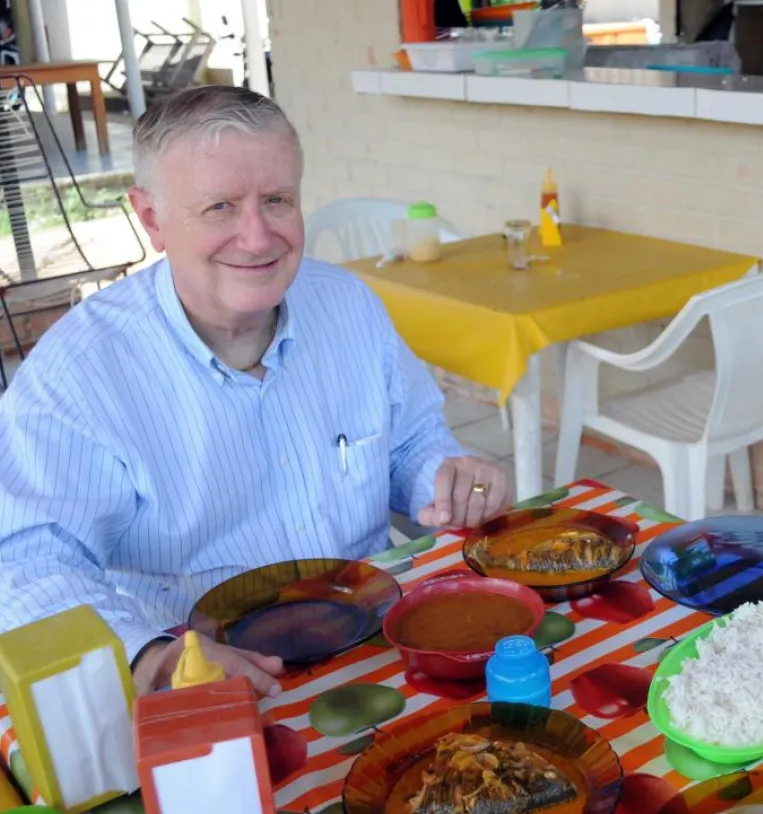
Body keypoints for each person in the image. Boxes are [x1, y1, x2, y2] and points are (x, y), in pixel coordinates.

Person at [0, 86, 509, 697]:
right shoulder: (82, 371)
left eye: (277, 200)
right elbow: (26, 564)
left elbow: (414, 442)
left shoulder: (348, 305)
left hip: (377, 644)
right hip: (200, 678)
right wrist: (151, 657)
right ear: (152, 219)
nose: (257, 236)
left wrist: (451, 482)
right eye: (220, 206)